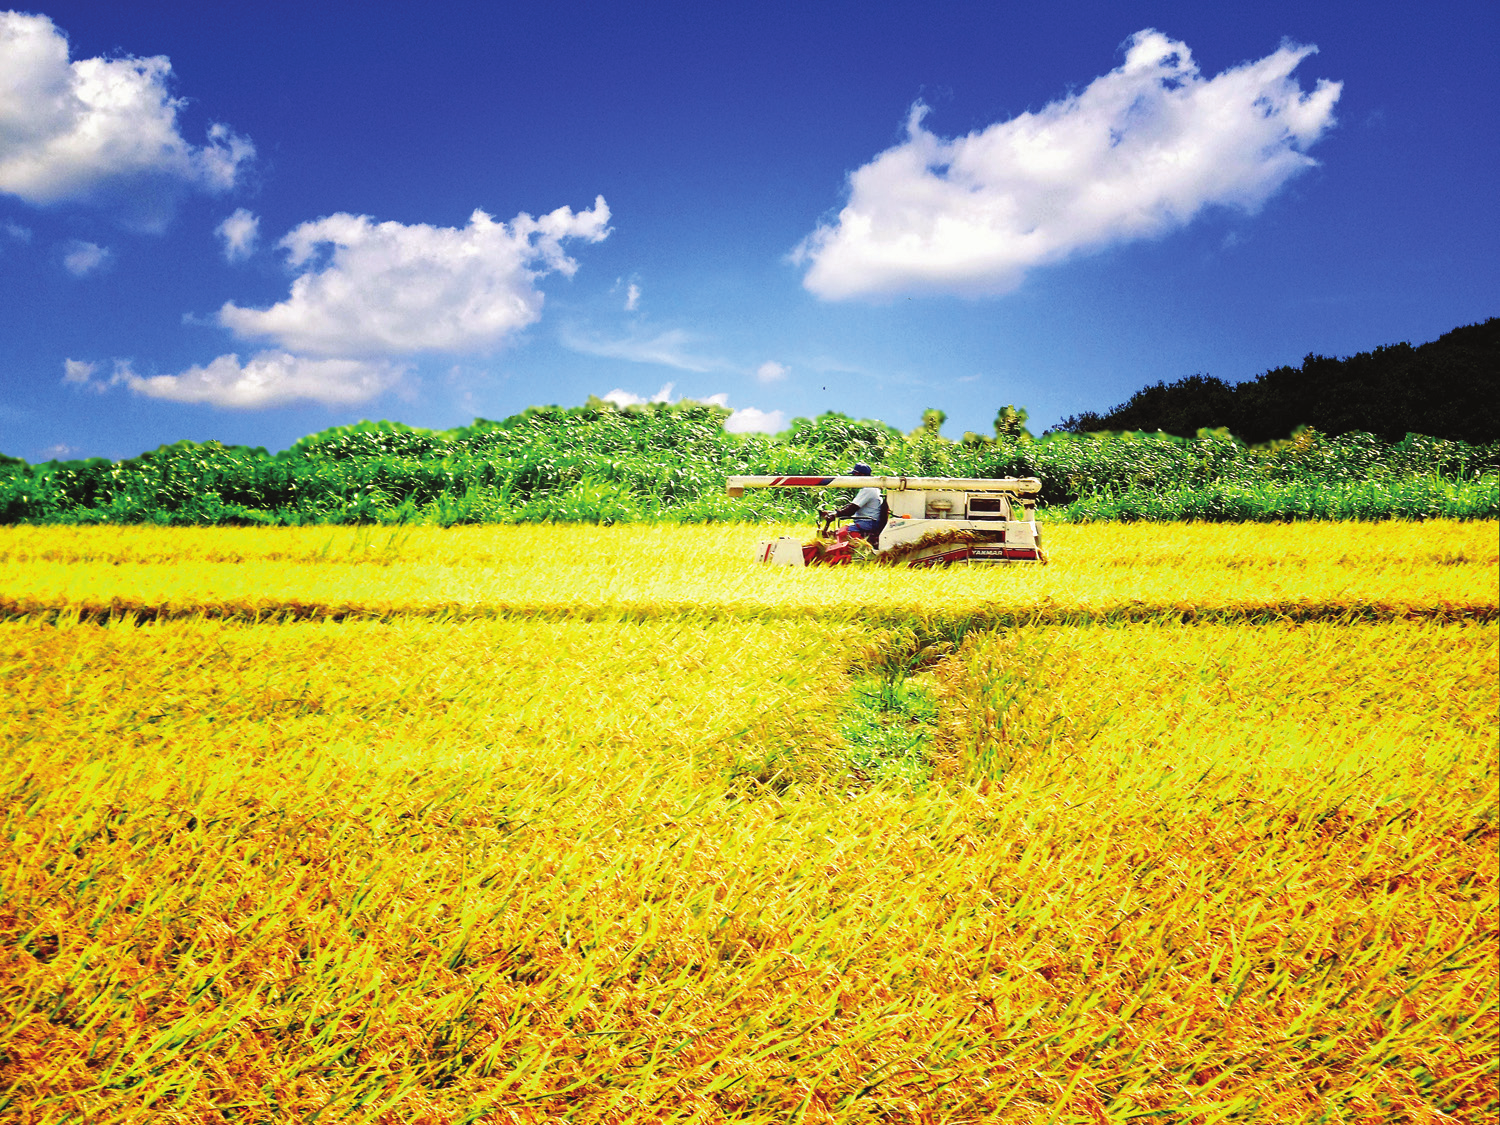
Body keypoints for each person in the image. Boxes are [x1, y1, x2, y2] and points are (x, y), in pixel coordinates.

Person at [819, 463, 886, 541]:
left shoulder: (868, 490)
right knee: (837, 533)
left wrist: (835, 514)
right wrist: (834, 512)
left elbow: (851, 510)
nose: (852, 478)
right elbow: (852, 507)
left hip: (867, 523)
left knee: (840, 534)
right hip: (869, 522)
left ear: (861, 475)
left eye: (854, 475)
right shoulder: (873, 488)